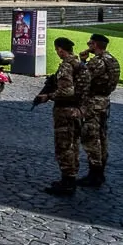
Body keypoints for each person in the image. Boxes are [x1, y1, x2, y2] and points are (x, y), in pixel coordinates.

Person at [31, 36, 85, 195]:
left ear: (61, 49)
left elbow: (67, 91)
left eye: (57, 50)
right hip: (78, 110)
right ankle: (70, 179)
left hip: (66, 112)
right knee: (73, 146)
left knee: (64, 147)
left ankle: (67, 183)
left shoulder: (66, 67)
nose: (57, 52)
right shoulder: (80, 64)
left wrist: (48, 96)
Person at [79, 34, 122, 188]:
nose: (88, 44)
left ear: (95, 45)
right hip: (104, 102)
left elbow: (82, 78)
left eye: (90, 42)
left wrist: (82, 61)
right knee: (102, 137)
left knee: (91, 137)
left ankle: (95, 174)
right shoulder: (112, 60)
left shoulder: (97, 62)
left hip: (93, 103)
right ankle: (100, 172)